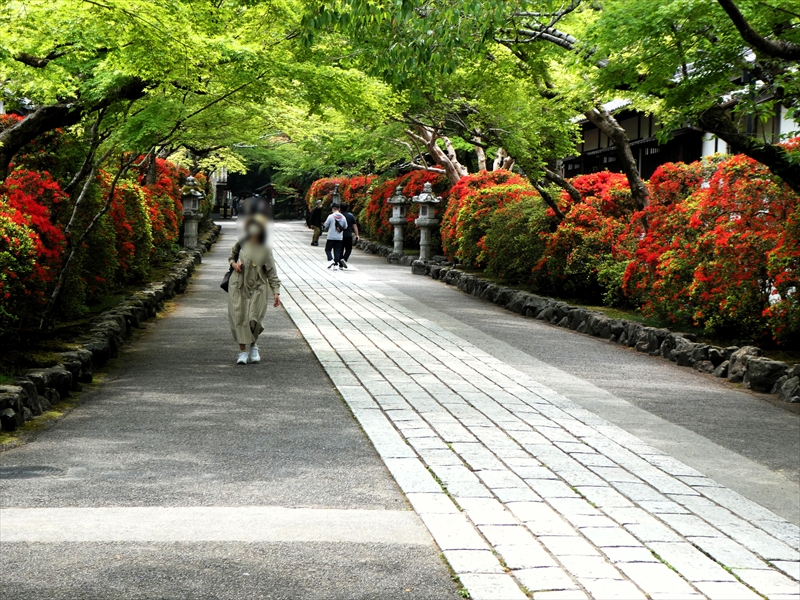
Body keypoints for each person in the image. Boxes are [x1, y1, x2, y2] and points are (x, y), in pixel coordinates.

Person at [227, 215, 281, 365]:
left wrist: (276, 291)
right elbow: (231, 258)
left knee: (254, 319)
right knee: (239, 319)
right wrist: (234, 265)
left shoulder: (265, 248)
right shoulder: (240, 244)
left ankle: (254, 345)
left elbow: (271, 272)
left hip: (259, 286)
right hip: (238, 285)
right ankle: (243, 351)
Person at [322, 204, 348, 271]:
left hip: (331, 236)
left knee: (327, 249)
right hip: (339, 237)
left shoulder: (331, 216)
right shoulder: (343, 217)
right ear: (339, 208)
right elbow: (345, 226)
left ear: (333, 209)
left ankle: (331, 260)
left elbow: (326, 225)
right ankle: (336, 265)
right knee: (337, 251)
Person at [339, 202, 360, 269]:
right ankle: (344, 259)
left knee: (340, 249)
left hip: (339, 235)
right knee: (349, 249)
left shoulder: (338, 215)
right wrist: (357, 235)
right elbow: (355, 226)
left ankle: (340, 265)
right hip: (348, 235)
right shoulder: (350, 216)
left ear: (340, 208)